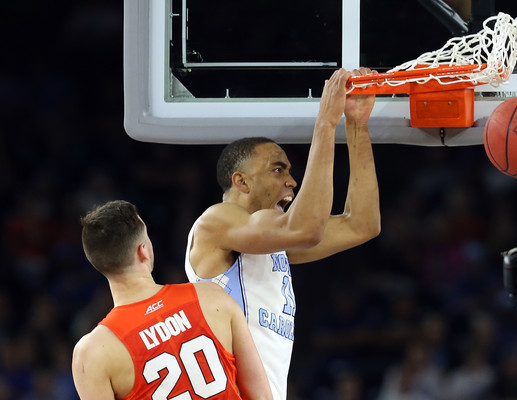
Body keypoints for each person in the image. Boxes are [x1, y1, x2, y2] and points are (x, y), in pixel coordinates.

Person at [184, 67, 380, 399]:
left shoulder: (271, 244)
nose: (291, 181)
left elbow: (362, 224)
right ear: (241, 181)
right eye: (278, 169)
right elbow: (305, 227)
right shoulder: (215, 222)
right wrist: (326, 123)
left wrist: (357, 124)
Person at [72, 200, 272, 400]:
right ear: (143, 250)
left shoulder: (93, 353)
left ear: (99, 263)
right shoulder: (212, 296)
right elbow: (262, 396)